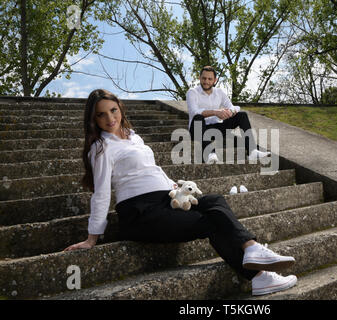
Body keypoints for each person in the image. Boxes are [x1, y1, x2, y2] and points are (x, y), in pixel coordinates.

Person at [64, 89, 297, 296]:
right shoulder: (101, 148)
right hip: (140, 213)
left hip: (164, 200)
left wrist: (173, 186)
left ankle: (252, 249)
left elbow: (152, 170)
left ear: (120, 108)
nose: (110, 118)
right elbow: (102, 192)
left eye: (113, 110)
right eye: (101, 114)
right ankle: (259, 278)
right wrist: (92, 237)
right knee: (208, 221)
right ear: (93, 120)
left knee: (214, 200)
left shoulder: (133, 137)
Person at [186, 66, 270, 164]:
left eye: (210, 79)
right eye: (204, 78)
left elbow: (234, 107)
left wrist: (229, 112)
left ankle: (252, 152)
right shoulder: (192, 92)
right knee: (198, 117)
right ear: (200, 78)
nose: (206, 81)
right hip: (197, 130)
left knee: (242, 115)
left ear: (215, 80)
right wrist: (216, 112)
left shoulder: (219, 92)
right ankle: (210, 154)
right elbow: (194, 112)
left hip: (216, 129)